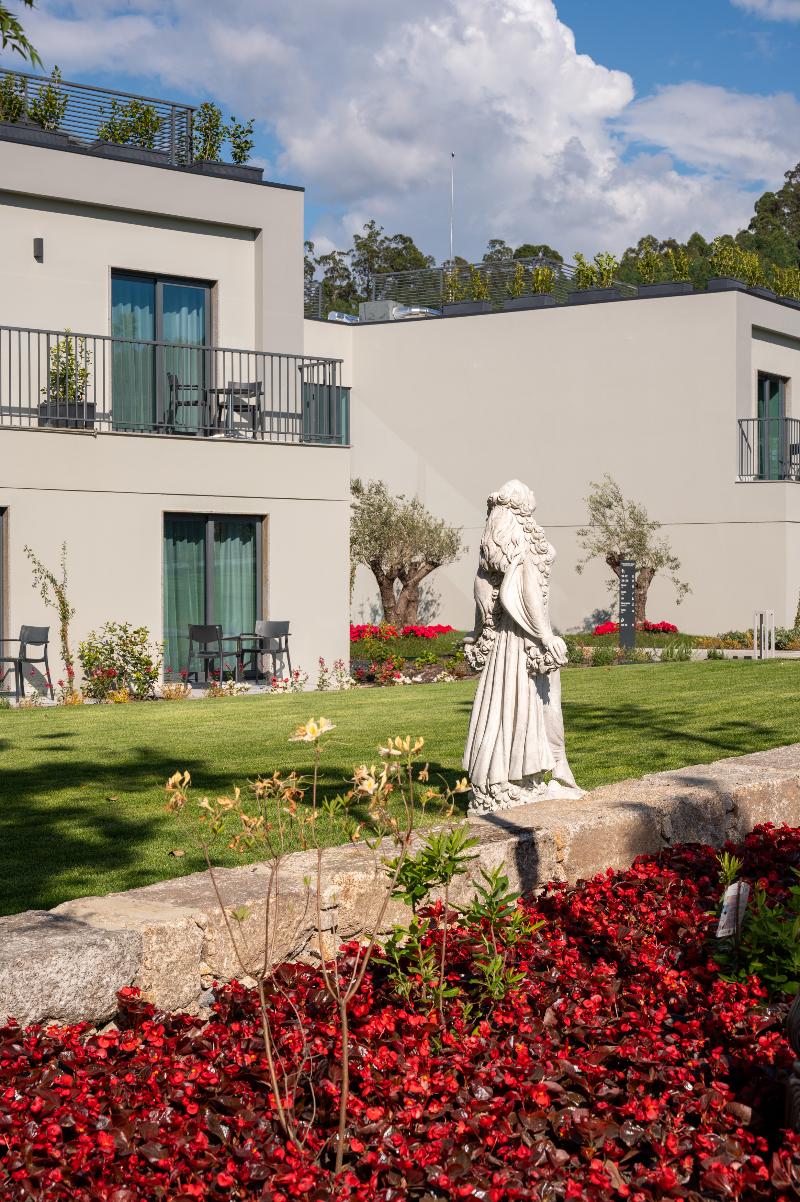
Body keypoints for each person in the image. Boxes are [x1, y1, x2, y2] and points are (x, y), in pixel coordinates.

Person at [463, 479, 583, 812]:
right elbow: (528, 594)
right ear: (521, 504)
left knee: (503, 706)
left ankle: (502, 778)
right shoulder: (522, 543)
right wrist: (545, 636)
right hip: (522, 641)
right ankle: (516, 781)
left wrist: (479, 632)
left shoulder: (494, 548)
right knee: (525, 703)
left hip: (504, 642)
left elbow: (482, 598)